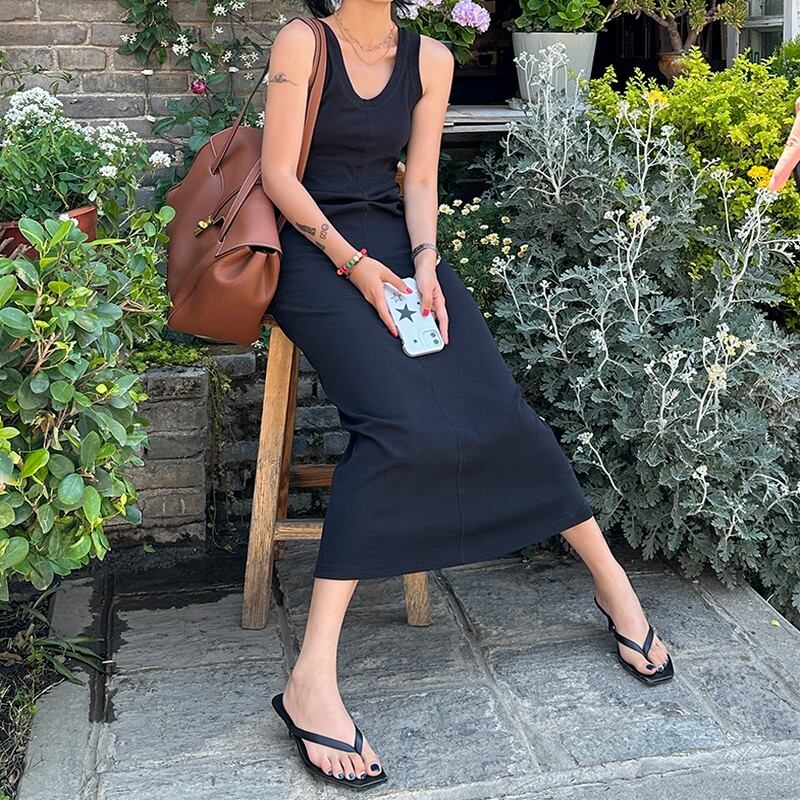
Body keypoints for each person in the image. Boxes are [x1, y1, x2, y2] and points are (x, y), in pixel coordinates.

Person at [261, 0, 673, 789]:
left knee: (500, 413)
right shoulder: (303, 42)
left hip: (395, 246)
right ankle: (310, 679)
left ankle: (613, 587)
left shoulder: (432, 59)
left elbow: (419, 178)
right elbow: (278, 176)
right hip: (313, 255)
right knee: (396, 430)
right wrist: (359, 270)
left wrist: (423, 264)